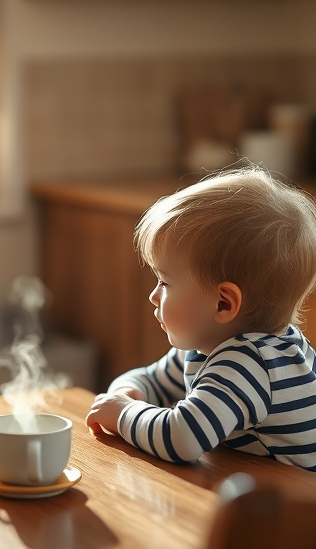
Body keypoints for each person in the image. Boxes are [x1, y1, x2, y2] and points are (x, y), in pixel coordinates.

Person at [85, 166, 316, 472]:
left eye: (165, 283)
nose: (154, 296)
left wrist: (124, 415)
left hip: (292, 512)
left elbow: (183, 438)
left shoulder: (250, 363)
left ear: (223, 303)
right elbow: (152, 380)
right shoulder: (210, 346)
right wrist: (127, 393)